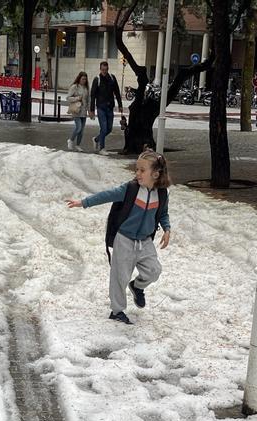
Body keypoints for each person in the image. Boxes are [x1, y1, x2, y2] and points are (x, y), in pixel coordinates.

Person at [66, 151, 172, 325]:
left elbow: (163, 214)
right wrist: (83, 202)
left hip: (144, 241)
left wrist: (167, 229)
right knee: (119, 276)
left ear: (156, 174)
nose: (137, 173)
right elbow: (106, 195)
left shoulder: (161, 194)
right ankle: (117, 311)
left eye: (142, 170)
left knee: (154, 271)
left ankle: (137, 286)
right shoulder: (130, 189)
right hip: (124, 239)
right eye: (137, 169)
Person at [89, 61, 123, 153]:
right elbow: (93, 95)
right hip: (101, 107)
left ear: (108, 69)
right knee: (103, 128)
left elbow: (117, 91)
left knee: (109, 129)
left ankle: (96, 139)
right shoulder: (97, 79)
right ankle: (102, 148)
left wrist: (120, 105)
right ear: (100, 69)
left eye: (106, 69)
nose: (104, 71)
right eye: (103, 70)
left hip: (110, 107)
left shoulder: (112, 78)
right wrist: (91, 110)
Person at [66, 71, 91, 151]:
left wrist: (89, 110)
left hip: (84, 111)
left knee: (82, 130)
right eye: (83, 79)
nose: (84, 81)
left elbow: (88, 100)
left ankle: (78, 145)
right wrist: (77, 98)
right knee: (78, 127)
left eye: (85, 79)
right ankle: (71, 140)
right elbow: (68, 98)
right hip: (76, 110)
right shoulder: (74, 87)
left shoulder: (86, 88)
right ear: (79, 78)